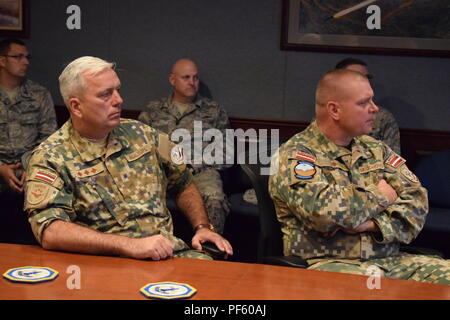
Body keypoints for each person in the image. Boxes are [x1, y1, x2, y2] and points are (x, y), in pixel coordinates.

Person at [24, 56, 233, 261]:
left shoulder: (142, 133)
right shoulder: (51, 156)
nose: (119, 100)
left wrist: (203, 227)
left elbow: (182, 181)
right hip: (106, 263)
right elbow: (49, 229)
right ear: (76, 106)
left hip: (168, 254)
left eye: (117, 90)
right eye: (106, 94)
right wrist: (129, 246)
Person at [268, 69, 449, 284]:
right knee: (368, 292)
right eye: (364, 103)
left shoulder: (376, 150)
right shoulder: (297, 156)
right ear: (335, 110)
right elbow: (324, 214)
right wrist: (381, 195)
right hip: (328, 264)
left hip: (390, 261)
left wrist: (371, 224)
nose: (374, 109)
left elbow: (417, 202)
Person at [139, 58, 231, 234]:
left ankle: (210, 252)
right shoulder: (153, 110)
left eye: (195, 78)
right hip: (161, 173)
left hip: (201, 173)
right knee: (140, 198)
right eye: (186, 77)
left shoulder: (213, 111)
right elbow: (140, 146)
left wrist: (195, 163)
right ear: (172, 80)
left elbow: (226, 153)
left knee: (215, 199)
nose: (192, 82)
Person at [0, 38, 57, 195]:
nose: (26, 62)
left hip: (31, 172)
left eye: (27, 57)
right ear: (2, 60)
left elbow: (49, 138)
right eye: (18, 57)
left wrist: (32, 164)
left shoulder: (39, 94)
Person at [335, 57, 401, 155]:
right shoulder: (328, 113)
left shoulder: (382, 117)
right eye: (357, 76)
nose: (364, 81)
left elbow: (392, 161)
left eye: (367, 77)